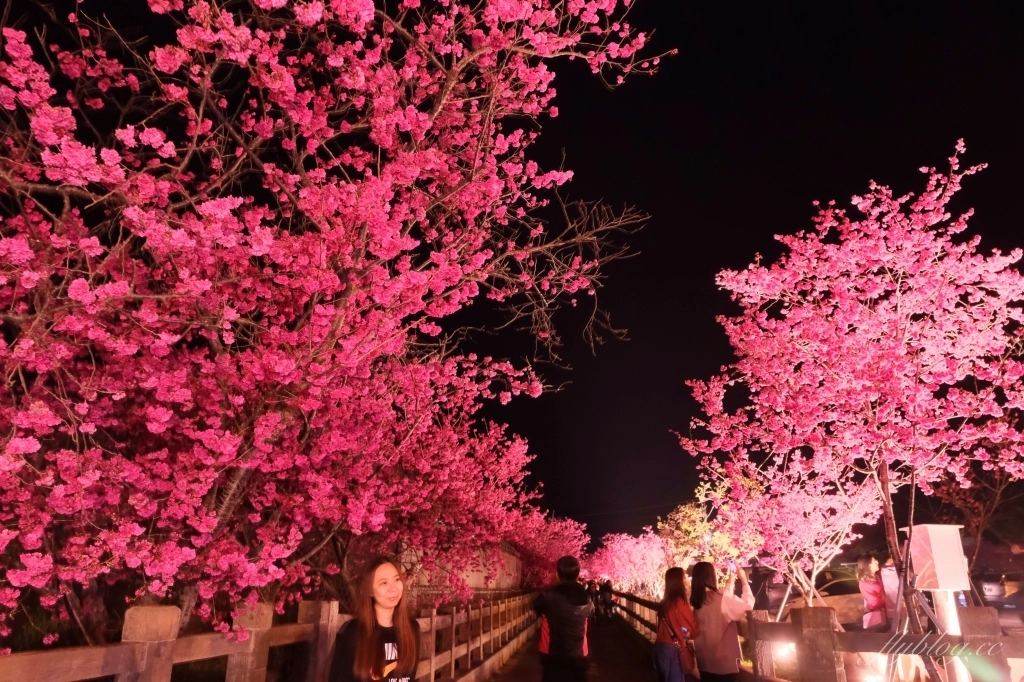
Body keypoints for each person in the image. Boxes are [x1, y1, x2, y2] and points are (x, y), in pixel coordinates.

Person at [329, 556, 420, 682]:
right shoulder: (353, 631)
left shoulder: (412, 628)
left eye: (397, 579)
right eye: (384, 583)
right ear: (370, 590)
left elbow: (410, 676)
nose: (393, 588)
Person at [690, 560, 755, 682]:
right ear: (712, 576)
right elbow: (747, 605)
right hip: (722, 663)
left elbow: (724, 597)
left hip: (703, 661)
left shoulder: (694, 600)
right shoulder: (720, 599)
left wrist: (731, 580)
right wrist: (744, 581)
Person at [533, 555, 593, 682]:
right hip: (578, 653)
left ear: (557, 573)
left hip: (552, 653)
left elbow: (537, 607)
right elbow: (590, 615)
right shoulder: (587, 599)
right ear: (577, 575)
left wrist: (552, 585)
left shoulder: (548, 596)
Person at [654, 567, 700, 682]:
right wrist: (691, 633)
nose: (687, 579)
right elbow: (692, 627)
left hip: (659, 647)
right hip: (673, 651)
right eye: (684, 577)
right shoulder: (679, 603)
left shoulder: (665, 602)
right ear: (678, 581)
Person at [857, 554, 887, 632]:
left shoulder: (877, 576)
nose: (877, 561)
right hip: (878, 614)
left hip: (885, 611)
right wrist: (887, 601)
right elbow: (873, 602)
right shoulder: (864, 583)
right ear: (868, 565)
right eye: (874, 561)